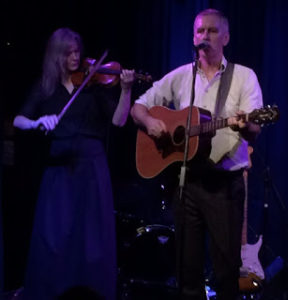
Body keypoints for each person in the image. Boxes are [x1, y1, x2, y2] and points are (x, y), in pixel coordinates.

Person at [131, 8, 263, 300]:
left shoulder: (244, 77)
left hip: (224, 186)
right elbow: (138, 107)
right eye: (200, 31)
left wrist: (247, 124)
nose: (205, 36)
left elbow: (254, 128)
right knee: (187, 272)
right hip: (186, 183)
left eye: (212, 31)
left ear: (225, 37)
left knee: (226, 272)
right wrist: (151, 122)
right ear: (193, 37)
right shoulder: (181, 77)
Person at [13, 27, 135, 300]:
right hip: (58, 168)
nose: (76, 57)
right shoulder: (46, 86)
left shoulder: (92, 86)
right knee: (55, 236)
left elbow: (118, 121)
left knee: (91, 238)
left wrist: (126, 90)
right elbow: (18, 120)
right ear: (56, 55)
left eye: (77, 51)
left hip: (92, 167)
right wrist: (37, 123)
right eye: (68, 52)